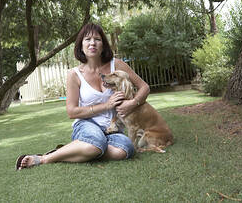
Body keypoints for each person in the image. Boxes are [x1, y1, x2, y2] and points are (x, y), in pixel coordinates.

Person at [16, 23, 150, 170]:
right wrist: (106, 105)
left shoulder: (116, 65)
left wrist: (133, 103)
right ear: (81, 46)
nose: (92, 43)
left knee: (126, 149)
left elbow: (144, 87)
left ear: (103, 45)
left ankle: (77, 149)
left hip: (112, 128)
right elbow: (72, 112)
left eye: (97, 39)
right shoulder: (74, 74)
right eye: (87, 39)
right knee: (97, 142)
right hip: (87, 124)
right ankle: (44, 158)